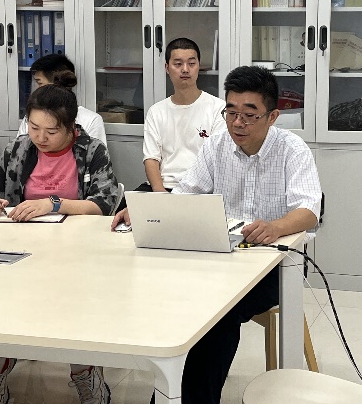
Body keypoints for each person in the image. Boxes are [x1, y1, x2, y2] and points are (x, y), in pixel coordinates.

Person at [112, 65, 321, 404]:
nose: (238, 123)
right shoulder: (217, 145)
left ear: (272, 117)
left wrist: (275, 227)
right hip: (223, 257)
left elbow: (309, 210)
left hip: (275, 266)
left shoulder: (292, 150)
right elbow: (186, 193)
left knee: (218, 314)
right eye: (231, 112)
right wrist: (147, 210)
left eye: (249, 115)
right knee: (174, 298)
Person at [0, 70, 117, 404]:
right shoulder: (19, 149)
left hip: (78, 253)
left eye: (51, 131)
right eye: (34, 128)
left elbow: (103, 204)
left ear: (71, 127)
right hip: (20, 249)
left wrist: (53, 203)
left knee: (75, 311)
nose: (41, 138)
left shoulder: (91, 151)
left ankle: (85, 374)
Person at [115, 37, 226, 212]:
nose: (185, 69)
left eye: (191, 63)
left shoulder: (218, 109)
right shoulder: (156, 111)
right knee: (124, 213)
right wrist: (161, 195)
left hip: (201, 191)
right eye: (178, 64)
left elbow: (217, 161)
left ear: (198, 66)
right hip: (163, 187)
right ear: (167, 68)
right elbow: (151, 159)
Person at [16, 54, 107, 146]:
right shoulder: (33, 115)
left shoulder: (90, 120)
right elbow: (20, 148)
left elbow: (96, 152)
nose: (41, 139)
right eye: (35, 128)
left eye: (39, 83)